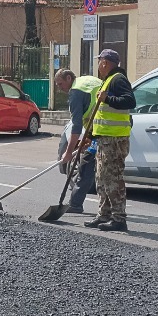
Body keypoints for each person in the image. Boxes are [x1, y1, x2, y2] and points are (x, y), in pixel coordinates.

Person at [82, 48, 135, 231]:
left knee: (112, 178)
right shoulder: (108, 80)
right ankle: (104, 215)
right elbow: (102, 116)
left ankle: (119, 218)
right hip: (105, 138)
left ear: (105, 62)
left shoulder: (118, 80)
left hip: (115, 140)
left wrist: (108, 98)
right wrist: (91, 136)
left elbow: (130, 101)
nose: (98, 65)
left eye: (99, 61)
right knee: (102, 178)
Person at [57, 68, 103, 216]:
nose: (59, 88)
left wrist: (68, 152)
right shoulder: (86, 81)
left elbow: (76, 127)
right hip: (100, 129)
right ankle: (76, 204)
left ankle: (77, 205)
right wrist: (87, 137)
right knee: (88, 164)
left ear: (69, 78)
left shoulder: (76, 92)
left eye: (60, 84)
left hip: (102, 130)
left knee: (87, 165)